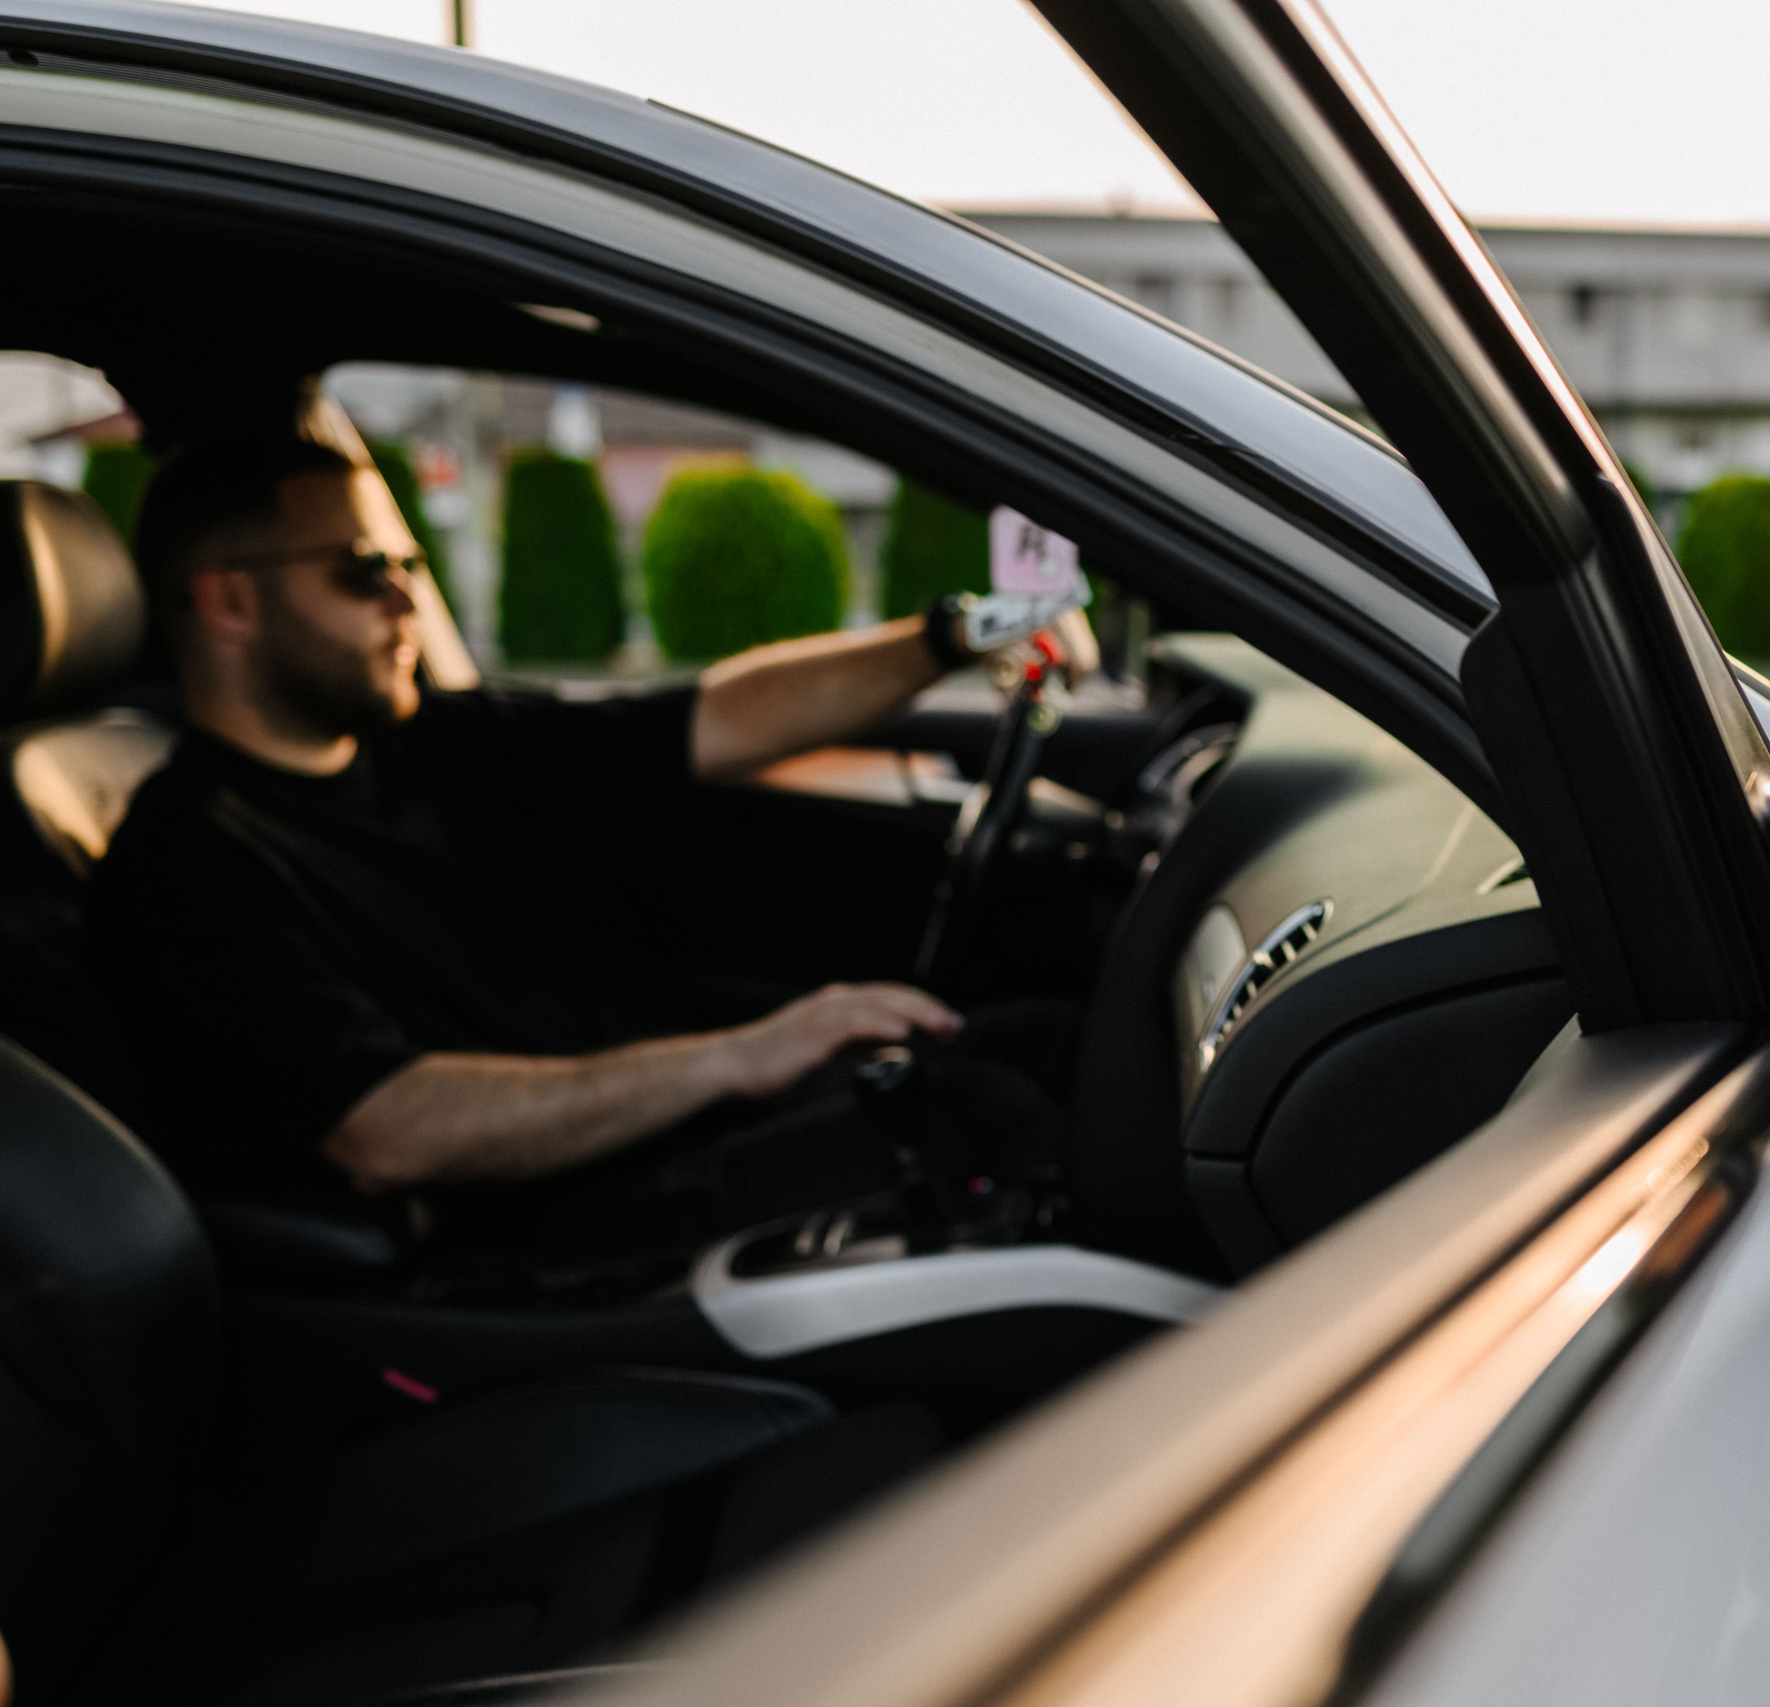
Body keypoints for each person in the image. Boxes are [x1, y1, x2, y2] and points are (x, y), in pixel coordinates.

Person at [88, 433, 1084, 1252]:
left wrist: (961, 633)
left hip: (654, 1141)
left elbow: (716, 717)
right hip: (543, 1232)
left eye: (406, 565)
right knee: (991, 1115)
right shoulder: (189, 862)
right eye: (362, 572)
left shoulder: (437, 745)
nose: (402, 599)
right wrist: (743, 1056)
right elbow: (387, 1130)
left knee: (1039, 1037)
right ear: (227, 602)